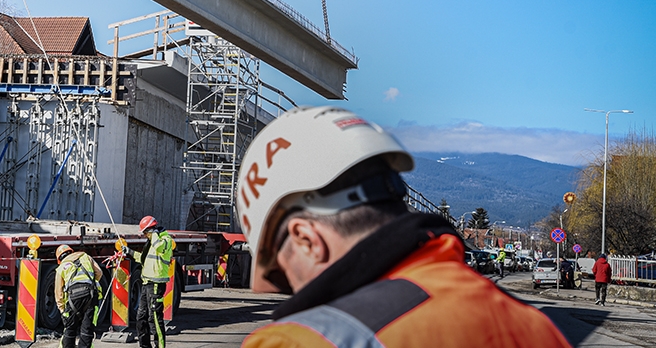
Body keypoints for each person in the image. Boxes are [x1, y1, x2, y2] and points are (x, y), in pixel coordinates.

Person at [236, 106, 572, 347]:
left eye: (282, 275)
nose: (292, 290)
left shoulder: (301, 340)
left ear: (306, 240)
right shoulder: (534, 327)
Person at [122, 215, 175, 348]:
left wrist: (154, 234)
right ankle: (144, 345)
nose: (145, 235)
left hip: (156, 284)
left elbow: (159, 248)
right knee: (141, 317)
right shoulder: (152, 242)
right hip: (146, 284)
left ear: (151, 230)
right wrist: (129, 252)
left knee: (155, 318)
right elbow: (143, 259)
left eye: (146, 232)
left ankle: (160, 346)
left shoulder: (165, 240)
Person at [54, 244, 103, 348]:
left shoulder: (61, 267)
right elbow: (99, 272)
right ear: (71, 252)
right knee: (87, 328)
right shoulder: (86, 257)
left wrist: (62, 310)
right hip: (90, 295)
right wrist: (90, 283)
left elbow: (58, 292)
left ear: (59, 258)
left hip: (73, 298)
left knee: (70, 328)